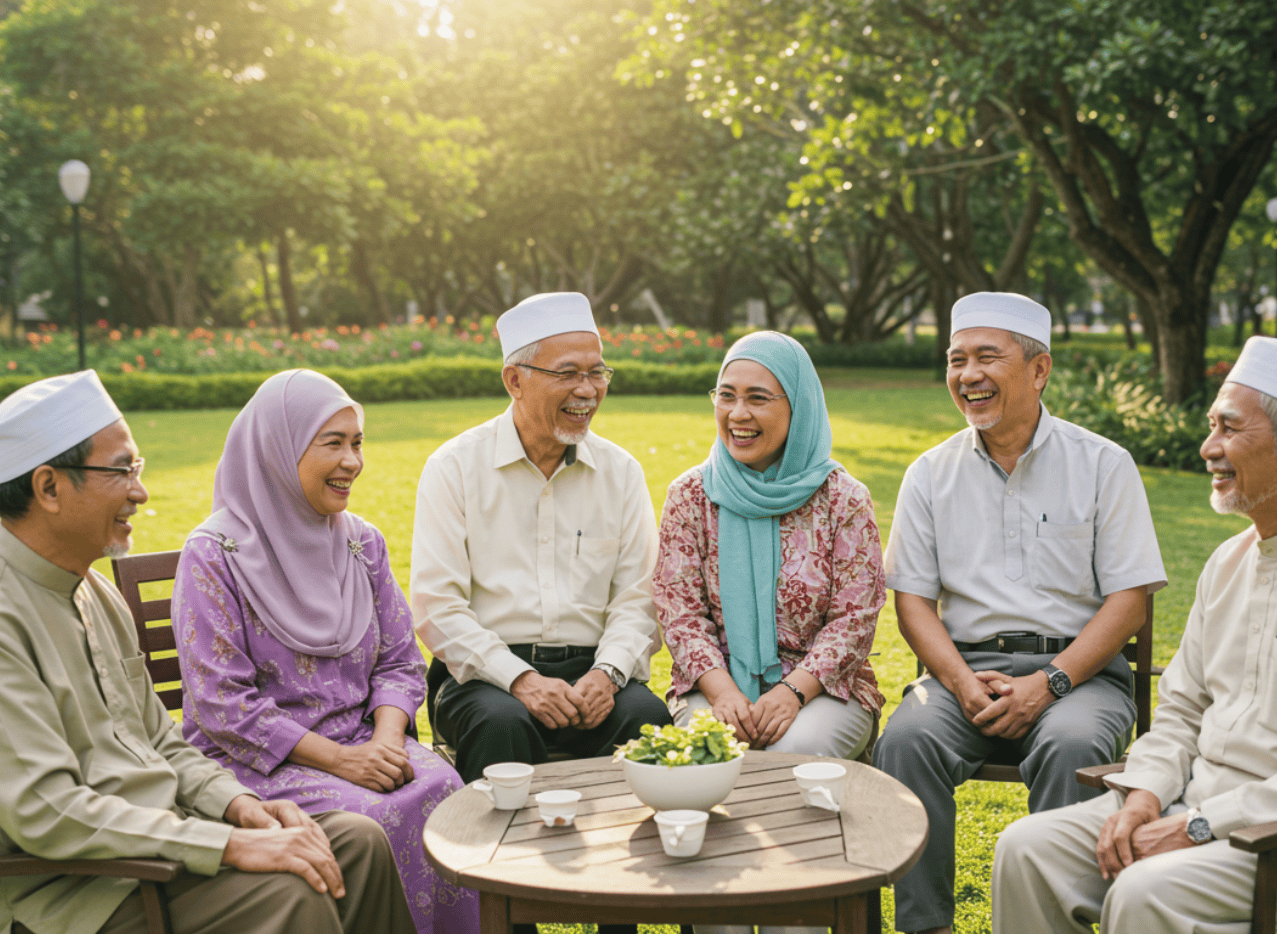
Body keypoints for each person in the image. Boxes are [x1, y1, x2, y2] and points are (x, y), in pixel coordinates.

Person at [0, 370, 414, 934]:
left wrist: (238, 807)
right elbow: (49, 815)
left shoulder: (90, 590)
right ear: (49, 488)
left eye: (138, 469)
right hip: (73, 897)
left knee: (357, 844)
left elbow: (159, 741)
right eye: (121, 471)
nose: (140, 491)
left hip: (160, 850)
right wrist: (226, 844)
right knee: (289, 892)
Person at [992, 337, 1277, 933]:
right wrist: (1144, 798)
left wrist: (1200, 824)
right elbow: (1182, 710)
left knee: (1143, 893)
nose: (1208, 447)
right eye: (1212, 426)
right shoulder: (1228, 563)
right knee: (1027, 849)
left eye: (1229, 429)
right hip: (1190, 803)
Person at [874, 292, 1168, 934]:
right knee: (904, 741)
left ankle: (1047, 925)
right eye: (956, 360)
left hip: (1080, 677)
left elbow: (1129, 601)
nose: (967, 375)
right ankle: (925, 927)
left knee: (1073, 744)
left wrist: (1051, 682)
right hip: (963, 673)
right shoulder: (930, 473)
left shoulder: (1103, 464)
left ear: (1039, 370)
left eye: (987, 357)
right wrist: (958, 680)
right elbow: (914, 603)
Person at [171, 369, 479, 934]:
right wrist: (341, 761)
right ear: (276, 451)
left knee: (446, 790)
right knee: (378, 816)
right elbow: (223, 706)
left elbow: (400, 661)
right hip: (261, 765)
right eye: (332, 443)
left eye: (357, 442)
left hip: (366, 743)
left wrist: (386, 742)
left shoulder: (362, 542)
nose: (352, 462)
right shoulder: (214, 556)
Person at [411, 291, 672, 785]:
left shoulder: (621, 472)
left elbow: (639, 598)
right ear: (514, 380)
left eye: (597, 372)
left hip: (595, 672)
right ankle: (497, 862)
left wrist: (608, 673)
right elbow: (437, 607)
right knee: (501, 724)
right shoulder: (454, 467)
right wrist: (521, 680)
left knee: (648, 719)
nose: (588, 389)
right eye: (568, 373)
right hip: (484, 677)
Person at [654, 330, 885, 759]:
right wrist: (722, 692)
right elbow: (679, 611)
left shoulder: (843, 499)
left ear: (798, 404)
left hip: (822, 688)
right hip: (715, 683)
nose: (738, 414)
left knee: (794, 751)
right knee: (713, 751)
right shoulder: (689, 495)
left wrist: (791, 693)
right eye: (726, 396)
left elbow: (854, 619)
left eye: (758, 398)